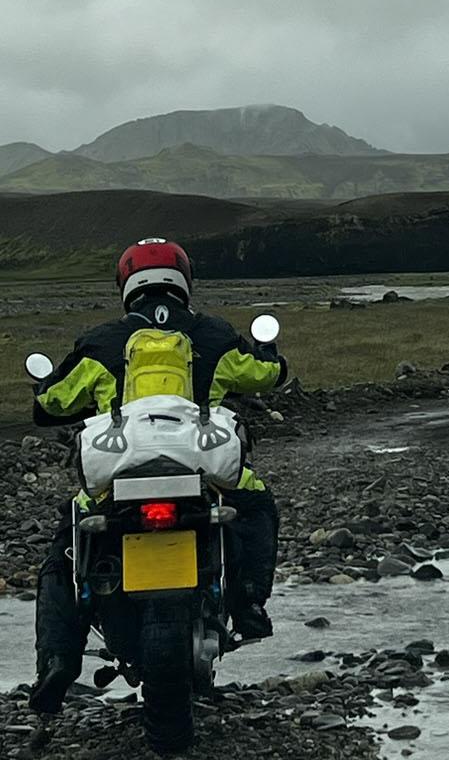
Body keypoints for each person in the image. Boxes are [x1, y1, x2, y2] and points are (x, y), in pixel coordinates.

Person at [28, 238, 287, 716]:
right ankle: (249, 604)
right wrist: (270, 351)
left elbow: (53, 403)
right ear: (183, 281)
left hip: (118, 480)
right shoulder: (214, 335)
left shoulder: (101, 341)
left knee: (66, 550)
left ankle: (58, 659)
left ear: (126, 284)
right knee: (255, 503)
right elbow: (266, 376)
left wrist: (44, 385)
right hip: (199, 471)